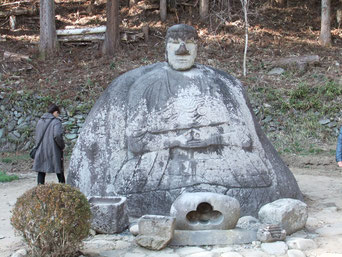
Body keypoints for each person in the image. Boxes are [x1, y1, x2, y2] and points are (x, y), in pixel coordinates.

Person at [33, 103, 65, 184]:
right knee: (59, 169)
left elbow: (37, 135)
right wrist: (62, 145)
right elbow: (57, 135)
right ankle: (63, 188)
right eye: (58, 113)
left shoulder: (40, 121)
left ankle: (39, 190)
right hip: (53, 149)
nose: (58, 115)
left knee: (41, 171)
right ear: (55, 112)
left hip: (41, 149)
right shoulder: (56, 122)